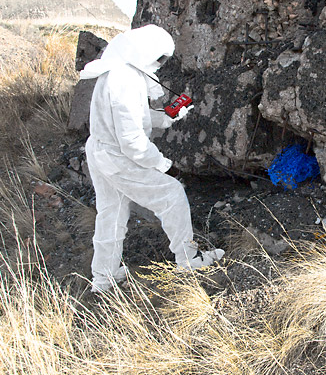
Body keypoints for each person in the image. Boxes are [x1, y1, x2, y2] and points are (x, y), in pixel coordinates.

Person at [80, 24, 224, 293]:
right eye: (159, 58)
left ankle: (103, 278)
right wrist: (161, 164)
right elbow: (133, 143)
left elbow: (132, 118)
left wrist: (167, 118)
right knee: (171, 195)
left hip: (101, 151)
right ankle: (188, 259)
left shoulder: (118, 71)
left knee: (111, 214)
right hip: (117, 157)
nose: (160, 64)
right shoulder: (126, 81)